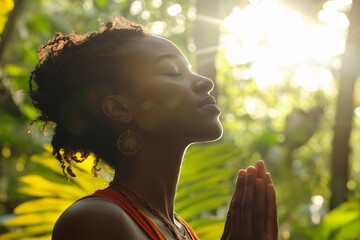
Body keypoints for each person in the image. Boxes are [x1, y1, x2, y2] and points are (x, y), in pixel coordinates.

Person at [29, 17, 278, 240]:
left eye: (190, 70)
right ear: (120, 109)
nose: (205, 82)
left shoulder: (184, 232)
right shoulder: (94, 220)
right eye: (172, 71)